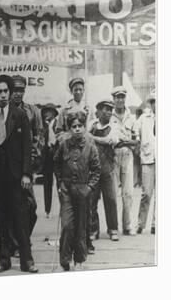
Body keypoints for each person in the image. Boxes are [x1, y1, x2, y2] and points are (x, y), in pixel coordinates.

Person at [0, 74, 38, 273]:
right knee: (1, 219)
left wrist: (26, 174)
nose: (3, 95)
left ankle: (27, 261)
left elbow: (27, 147)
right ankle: (3, 260)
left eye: (6, 91)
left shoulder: (20, 115)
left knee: (21, 219)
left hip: (16, 177)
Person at [54, 111, 100, 271]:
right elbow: (57, 164)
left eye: (80, 126)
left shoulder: (90, 147)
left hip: (83, 191)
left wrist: (89, 187)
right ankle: (64, 259)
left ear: (84, 127)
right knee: (67, 225)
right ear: (69, 128)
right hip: (66, 190)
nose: (77, 129)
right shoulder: (63, 146)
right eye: (74, 126)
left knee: (81, 226)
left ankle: (79, 259)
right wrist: (60, 183)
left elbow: (96, 170)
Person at [10, 75, 39, 240]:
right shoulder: (3, 111)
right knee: (12, 206)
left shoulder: (32, 111)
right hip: (9, 167)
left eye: (21, 90)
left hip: (26, 166)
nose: (17, 94)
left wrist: (33, 158)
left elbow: (38, 136)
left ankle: (23, 238)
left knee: (30, 206)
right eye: (15, 90)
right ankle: (16, 243)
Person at [88, 99, 122, 242]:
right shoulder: (92, 124)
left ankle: (113, 229)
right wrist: (91, 137)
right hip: (93, 168)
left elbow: (110, 140)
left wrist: (93, 138)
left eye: (110, 109)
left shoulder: (114, 125)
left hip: (108, 168)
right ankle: (93, 230)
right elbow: (85, 139)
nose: (108, 112)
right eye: (105, 109)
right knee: (92, 200)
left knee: (111, 199)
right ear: (99, 110)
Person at [110, 86, 139, 235]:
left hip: (127, 156)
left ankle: (127, 226)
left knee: (128, 193)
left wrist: (125, 142)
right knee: (113, 193)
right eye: (117, 97)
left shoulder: (131, 117)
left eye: (122, 97)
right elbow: (110, 140)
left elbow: (135, 142)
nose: (120, 100)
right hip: (113, 156)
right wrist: (123, 141)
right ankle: (113, 227)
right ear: (113, 99)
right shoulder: (109, 116)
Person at [135, 90, 156, 235]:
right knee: (146, 193)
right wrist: (138, 143)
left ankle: (156, 223)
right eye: (154, 102)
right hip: (148, 158)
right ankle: (141, 223)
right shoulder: (144, 117)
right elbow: (135, 131)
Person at [40, 103, 59, 217]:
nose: (47, 114)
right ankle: (48, 210)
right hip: (47, 156)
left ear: (53, 113)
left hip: (56, 155)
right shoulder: (43, 126)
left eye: (49, 111)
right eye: (45, 112)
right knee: (47, 183)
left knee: (60, 182)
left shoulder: (58, 124)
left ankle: (63, 208)